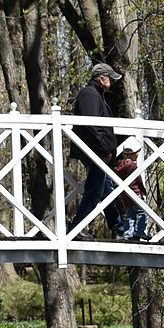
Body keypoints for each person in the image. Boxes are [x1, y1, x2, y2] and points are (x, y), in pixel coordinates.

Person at [70, 62, 121, 229]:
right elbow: (90, 126)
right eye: (110, 79)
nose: (112, 83)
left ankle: (117, 227)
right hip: (93, 152)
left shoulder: (95, 95)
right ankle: (76, 227)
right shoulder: (89, 94)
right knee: (95, 190)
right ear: (101, 79)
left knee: (105, 189)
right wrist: (104, 150)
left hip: (96, 151)